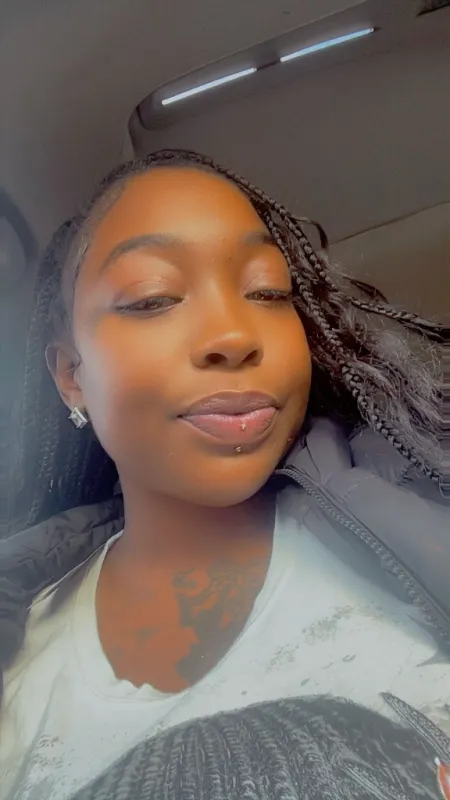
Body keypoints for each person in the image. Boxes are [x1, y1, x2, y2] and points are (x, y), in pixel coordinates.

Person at [0, 149, 448, 800]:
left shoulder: (424, 504)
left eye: (267, 291)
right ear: (72, 376)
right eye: (152, 298)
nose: (234, 335)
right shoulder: (19, 663)